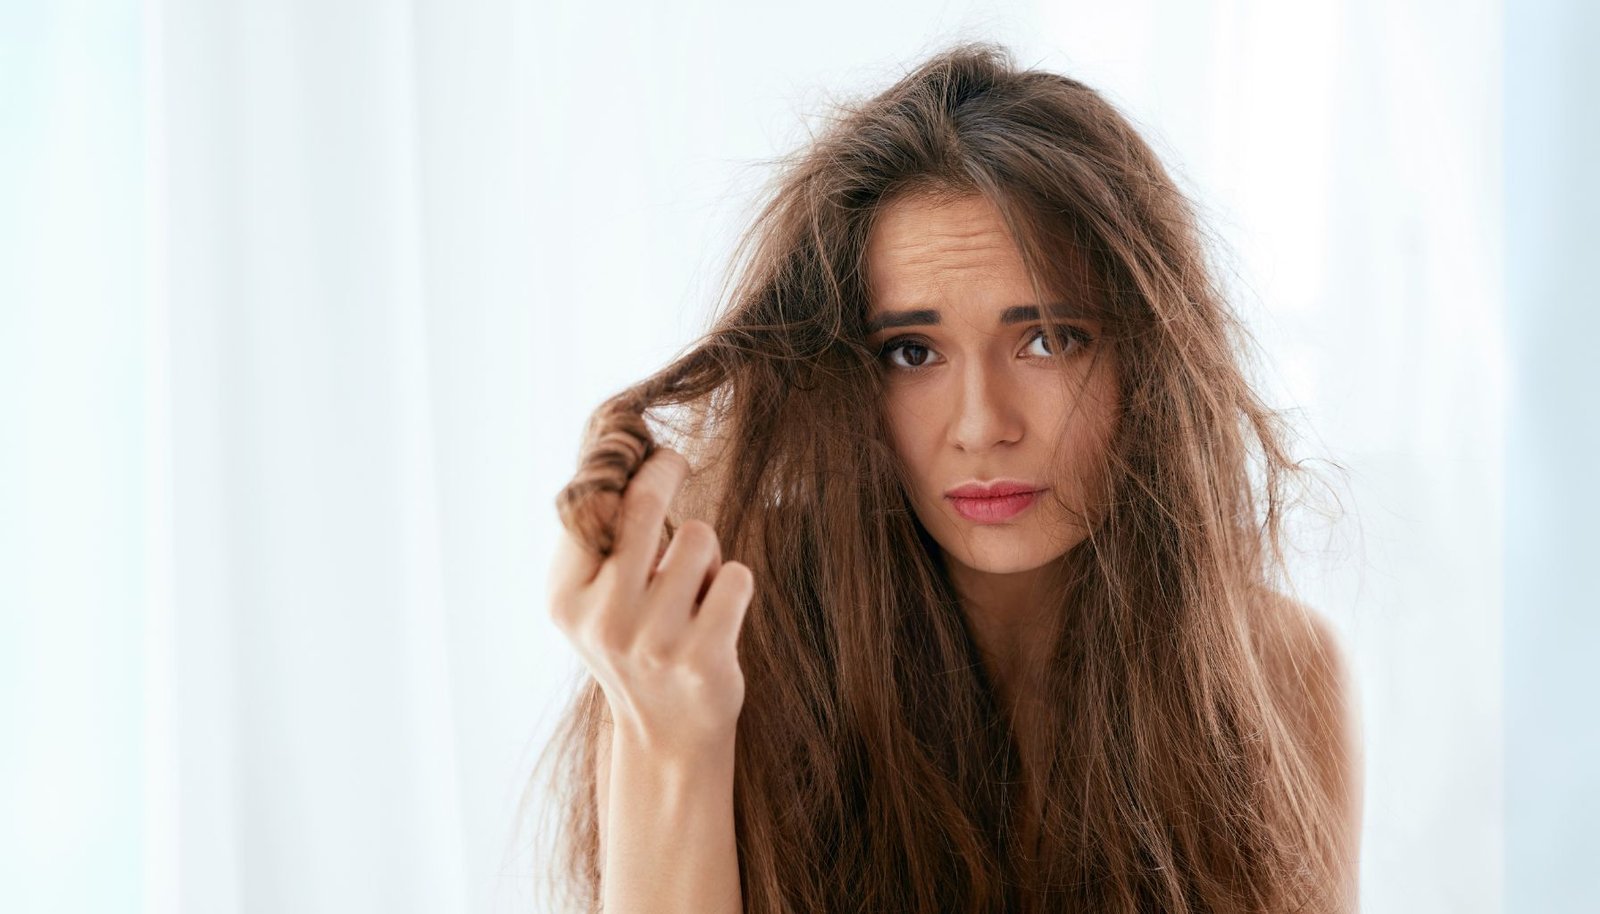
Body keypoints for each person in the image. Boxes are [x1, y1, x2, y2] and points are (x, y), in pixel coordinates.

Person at [533, 40, 1362, 914]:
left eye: (1048, 339)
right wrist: (671, 737)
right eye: (911, 352)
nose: (980, 427)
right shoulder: (710, 664)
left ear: (1149, 362)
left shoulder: (1275, 673)